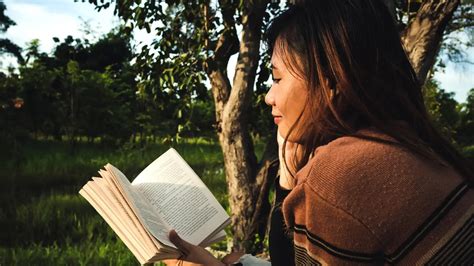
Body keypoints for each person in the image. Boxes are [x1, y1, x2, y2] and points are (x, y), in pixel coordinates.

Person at [166, 0, 474, 265]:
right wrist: (288, 175)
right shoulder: (408, 141)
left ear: (331, 81)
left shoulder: (340, 175)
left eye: (277, 78)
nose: (268, 97)